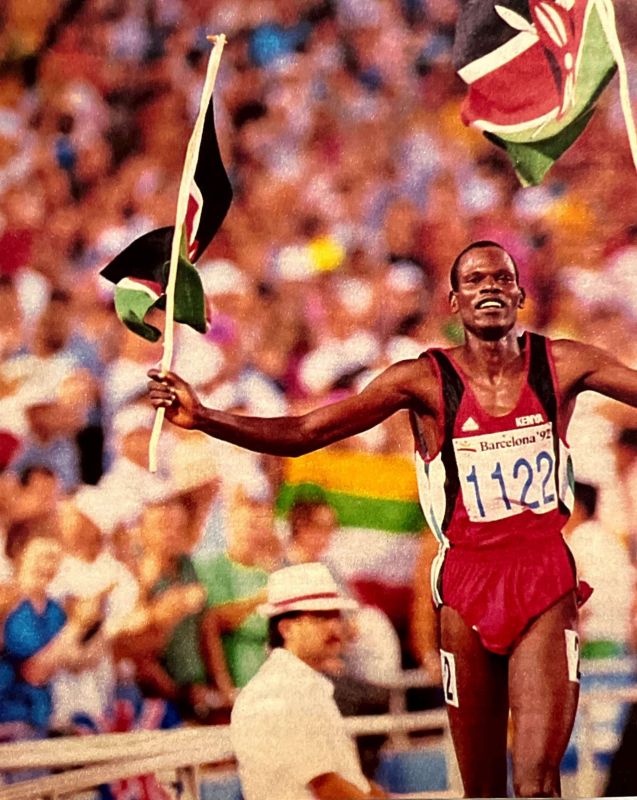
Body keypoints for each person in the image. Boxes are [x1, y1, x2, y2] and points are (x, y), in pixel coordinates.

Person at [148, 239, 637, 797]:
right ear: (453, 301)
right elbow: (308, 431)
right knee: (482, 789)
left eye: (502, 279)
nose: (490, 289)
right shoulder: (423, 380)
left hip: (542, 576)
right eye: (475, 281)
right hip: (467, 583)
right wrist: (205, 417)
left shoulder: (563, 363)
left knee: (536, 782)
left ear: (521, 295)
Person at [230, 562, 387, 799]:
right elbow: (327, 786)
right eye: (320, 617)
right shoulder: (279, 691)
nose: (334, 627)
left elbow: (349, 781)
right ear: (286, 629)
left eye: (336, 616)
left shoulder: (302, 685)